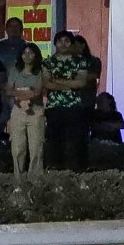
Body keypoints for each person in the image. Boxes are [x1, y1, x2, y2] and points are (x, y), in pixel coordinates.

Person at [43, 30, 94, 171]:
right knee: (54, 140)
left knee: (76, 140)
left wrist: (57, 81)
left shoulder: (80, 61)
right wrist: (70, 84)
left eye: (67, 41)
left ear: (71, 44)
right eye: (60, 41)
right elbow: (46, 83)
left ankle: (77, 170)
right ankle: (55, 169)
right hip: (54, 107)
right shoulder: (48, 62)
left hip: (75, 106)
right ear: (55, 44)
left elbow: (81, 83)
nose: (63, 44)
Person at [5, 42, 47, 175]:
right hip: (18, 111)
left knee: (36, 148)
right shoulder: (15, 70)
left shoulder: (41, 72)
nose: (27, 56)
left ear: (36, 55)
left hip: (36, 111)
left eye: (31, 53)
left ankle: (35, 180)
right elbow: (8, 90)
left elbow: (37, 91)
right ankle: (18, 180)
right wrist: (23, 94)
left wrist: (23, 94)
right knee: (17, 148)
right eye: (24, 53)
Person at [0, 17, 29, 137]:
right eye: (11, 26)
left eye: (17, 26)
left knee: (21, 122)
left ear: (22, 29)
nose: (14, 29)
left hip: (20, 91)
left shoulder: (28, 47)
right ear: (6, 29)